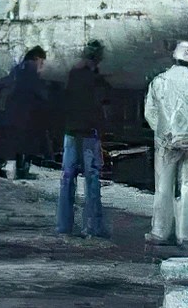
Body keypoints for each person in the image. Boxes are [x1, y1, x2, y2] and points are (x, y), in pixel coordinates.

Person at [144, 40, 188, 246]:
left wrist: (166, 134)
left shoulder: (159, 81)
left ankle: (159, 231)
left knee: (164, 186)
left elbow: (150, 112)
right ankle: (185, 234)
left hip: (166, 144)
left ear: (174, 57)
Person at [56, 40, 111, 239]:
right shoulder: (96, 80)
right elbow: (101, 108)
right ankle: (93, 227)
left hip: (71, 132)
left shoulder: (72, 74)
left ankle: (64, 225)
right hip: (88, 134)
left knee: (68, 177)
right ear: (98, 57)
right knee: (92, 179)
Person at [0, 46, 48, 180]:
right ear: (36, 58)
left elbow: (7, 81)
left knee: (14, 139)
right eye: (42, 61)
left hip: (12, 109)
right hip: (25, 111)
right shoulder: (31, 68)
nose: (42, 65)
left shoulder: (19, 68)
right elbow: (37, 88)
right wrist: (47, 97)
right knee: (27, 141)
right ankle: (21, 170)